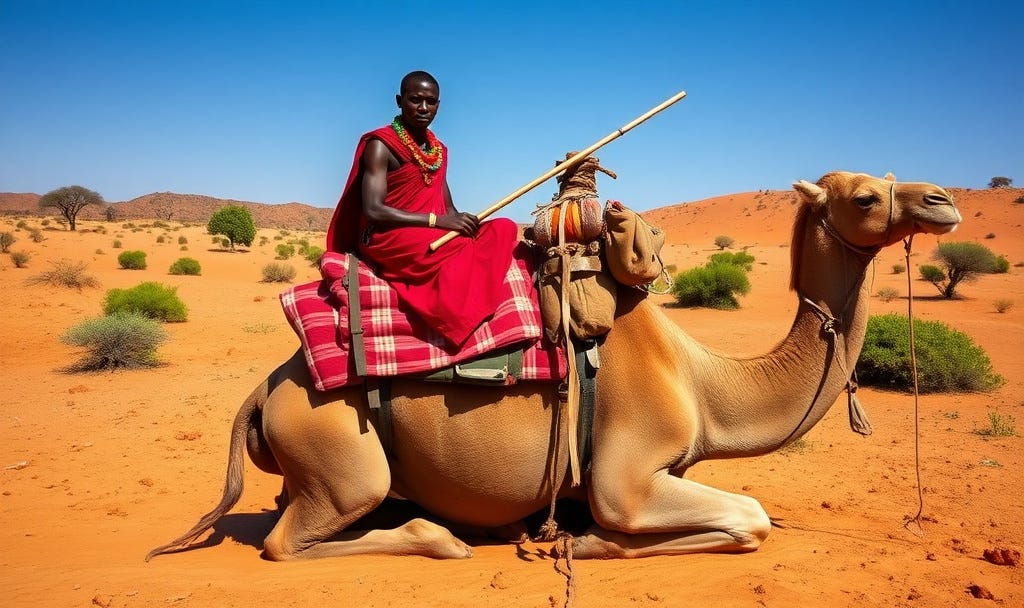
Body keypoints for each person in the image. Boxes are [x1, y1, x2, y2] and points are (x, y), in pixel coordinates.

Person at [326, 71, 519, 347]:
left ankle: (478, 306)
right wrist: (436, 221)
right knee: (454, 250)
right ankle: (454, 318)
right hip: (388, 234)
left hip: (426, 229)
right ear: (399, 100)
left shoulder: (438, 151)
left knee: (503, 228)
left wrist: (464, 222)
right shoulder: (381, 145)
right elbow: (373, 210)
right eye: (415, 100)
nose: (423, 108)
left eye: (431, 101)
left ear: (439, 104)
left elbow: (448, 209)